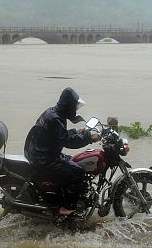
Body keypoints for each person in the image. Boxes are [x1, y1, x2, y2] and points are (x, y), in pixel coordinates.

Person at [24, 87, 99, 216]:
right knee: (77, 172)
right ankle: (66, 208)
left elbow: (58, 135)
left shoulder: (53, 113)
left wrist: (77, 131)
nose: (75, 109)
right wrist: (89, 138)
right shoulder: (55, 119)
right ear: (68, 105)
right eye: (74, 106)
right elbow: (68, 141)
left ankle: (63, 195)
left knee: (73, 161)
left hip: (41, 152)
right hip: (43, 158)